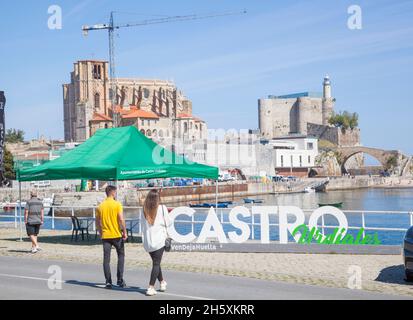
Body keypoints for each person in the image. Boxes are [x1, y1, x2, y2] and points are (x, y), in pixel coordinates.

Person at [96, 185, 128, 289]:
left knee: (106, 260)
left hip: (106, 236)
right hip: (116, 235)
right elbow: (121, 219)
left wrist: (101, 233)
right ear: (112, 192)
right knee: (121, 256)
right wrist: (124, 232)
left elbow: (97, 223)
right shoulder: (117, 204)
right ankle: (119, 279)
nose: (116, 194)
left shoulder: (100, 206)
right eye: (115, 192)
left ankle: (108, 281)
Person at [142, 189, 172, 296]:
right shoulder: (162, 208)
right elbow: (168, 223)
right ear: (157, 198)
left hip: (148, 241)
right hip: (159, 240)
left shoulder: (144, 209)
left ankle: (162, 282)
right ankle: (150, 287)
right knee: (156, 263)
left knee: (156, 262)